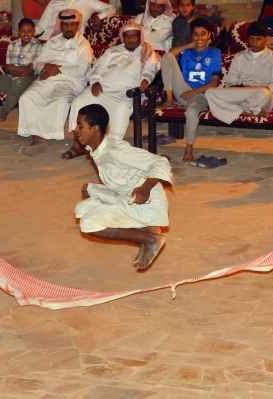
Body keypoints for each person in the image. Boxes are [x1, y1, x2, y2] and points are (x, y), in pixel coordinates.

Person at [74, 104, 172, 271]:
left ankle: (150, 239)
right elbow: (119, 181)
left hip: (144, 202)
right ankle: (149, 229)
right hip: (126, 197)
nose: (76, 130)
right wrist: (95, 189)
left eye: (80, 126)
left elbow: (161, 161)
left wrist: (146, 187)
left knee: (88, 223)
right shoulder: (98, 150)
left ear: (95, 129)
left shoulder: (116, 151)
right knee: (81, 208)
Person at [64, 21, 159, 159]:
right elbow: (97, 67)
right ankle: (78, 145)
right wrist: (95, 81)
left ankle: (111, 148)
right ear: (122, 37)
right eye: (128, 36)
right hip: (103, 88)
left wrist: (145, 80)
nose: (131, 39)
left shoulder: (147, 52)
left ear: (140, 37)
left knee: (121, 109)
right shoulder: (112, 51)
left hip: (126, 92)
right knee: (79, 101)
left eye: (134, 36)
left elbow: (150, 70)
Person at [18, 9, 92, 156]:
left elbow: (81, 70)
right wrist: (46, 67)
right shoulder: (52, 42)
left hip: (70, 81)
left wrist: (56, 69)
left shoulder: (84, 45)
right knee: (26, 98)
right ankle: (37, 136)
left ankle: (43, 136)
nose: (69, 28)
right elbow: (38, 63)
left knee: (61, 102)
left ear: (77, 25)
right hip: (47, 77)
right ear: (61, 25)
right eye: (65, 25)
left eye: (72, 25)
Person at [158, 18, 222, 162]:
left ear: (209, 36)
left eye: (203, 34)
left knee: (191, 112)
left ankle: (189, 147)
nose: (199, 37)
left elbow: (215, 82)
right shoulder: (187, 52)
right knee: (167, 56)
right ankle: (168, 99)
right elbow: (171, 53)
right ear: (192, 36)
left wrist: (193, 92)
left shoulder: (214, 53)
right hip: (183, 91)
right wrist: (191, 45)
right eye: (196, 34)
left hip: (200, 95)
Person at [205, 21, 273, 122]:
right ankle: (247, 112)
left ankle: (232, 109)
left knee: (263, 93)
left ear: (266, 39)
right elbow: (230, 83)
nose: (254, 43)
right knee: (209, 93)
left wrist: (256, 88)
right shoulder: (239, 57)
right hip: (241, 93)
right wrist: (243, 88)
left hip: (261, 96)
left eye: (258, 39)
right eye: (251, 39)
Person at [0, 18, 42, 122]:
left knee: (20, 81)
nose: (26, 33)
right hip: (11, 77)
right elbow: (7, 69)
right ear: (19, 32)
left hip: (29, 78)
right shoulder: (12, 45)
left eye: (29, 31)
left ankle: (5, 110)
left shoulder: (37, 46)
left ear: (34, 32)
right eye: (23, 31)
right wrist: (18, 70)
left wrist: (14, 69)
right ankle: (18, 89)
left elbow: (30, 70)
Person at [35, 0, 115, 41]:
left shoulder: (88, 1)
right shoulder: (54, 2)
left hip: (70, 42)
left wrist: (98, 17)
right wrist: (29, 32)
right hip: (46, 40)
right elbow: (42, 25)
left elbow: (111, 8)